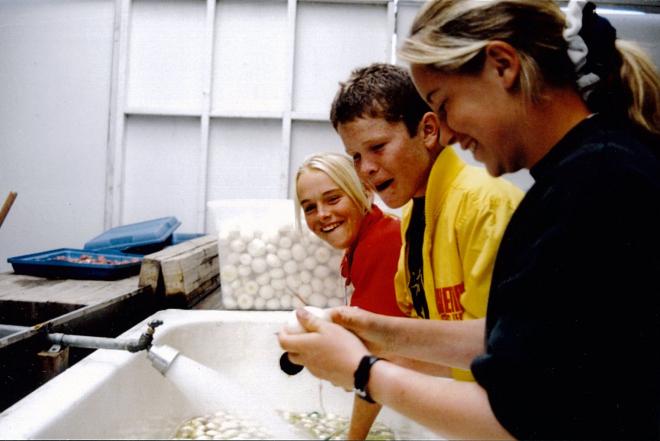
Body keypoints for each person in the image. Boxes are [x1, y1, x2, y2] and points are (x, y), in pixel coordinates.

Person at [279, 0, 660, 439]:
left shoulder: (600, 185)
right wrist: (373, 329)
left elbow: (525, 411)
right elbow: (519, 341)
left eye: (445, 104)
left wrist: (362, 371)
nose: (446, 130)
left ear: (502, 66)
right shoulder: (575, 178)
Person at [327, 63, 523, 438]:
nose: (365, 168)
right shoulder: (415, 219)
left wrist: (366, 367)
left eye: (378, 147)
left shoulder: (484, 206)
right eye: (354, 156)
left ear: (428, 130)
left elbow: (496, 366)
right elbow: (416, 352)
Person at [294, 152, 406, 318]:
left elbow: (379, 336)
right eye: (310, 208)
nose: (322, 214)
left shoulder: (384, 242)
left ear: (366, 193)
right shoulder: (364, 241)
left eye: (333, 199)